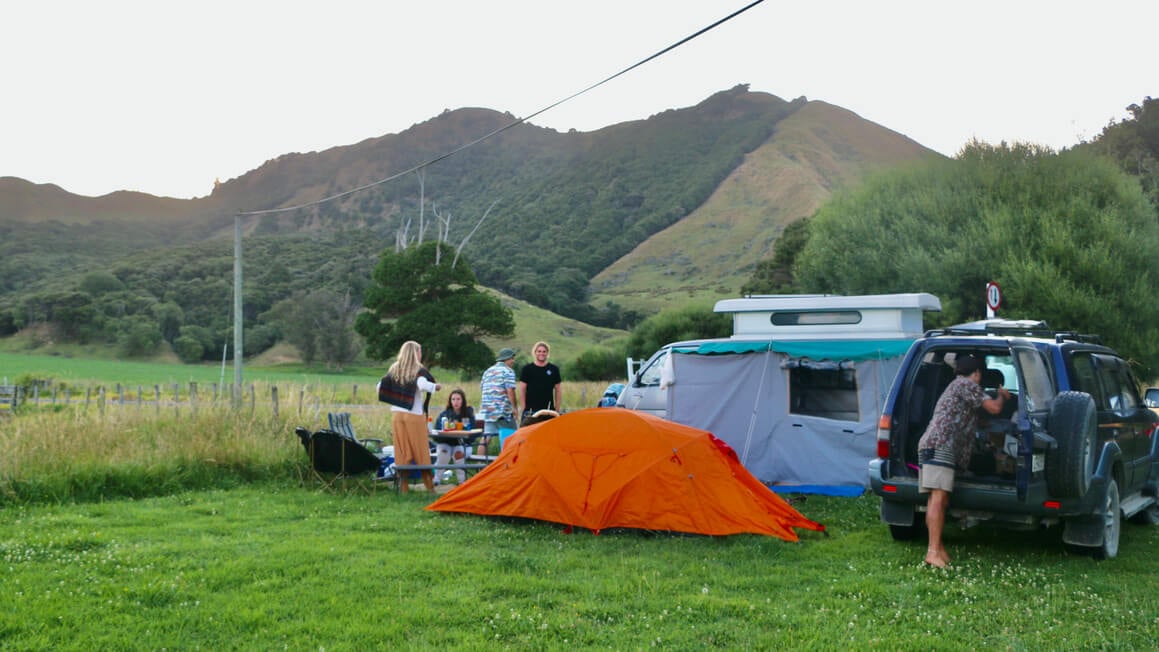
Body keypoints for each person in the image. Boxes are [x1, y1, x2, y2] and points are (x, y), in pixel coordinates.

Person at [917, 353, 1011, 567]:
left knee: (936, 499)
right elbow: (994, 408)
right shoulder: (965, 385)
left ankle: (938, 549)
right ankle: (932, 552)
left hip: (932, 443)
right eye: (980, 374)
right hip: (941, 444)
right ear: (976, 373)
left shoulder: (956, 387)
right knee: (938, 499)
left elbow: (970, 417)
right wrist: (1002, 396)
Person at [377, 340, 441, 494]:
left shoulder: (394, 369)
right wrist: (435, 387)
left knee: (402, 451)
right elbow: (422, 385)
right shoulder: (417, 369)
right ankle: (430, 488)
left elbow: (380, 386)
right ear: (415, 353)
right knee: (421, 451)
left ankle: (403, 488)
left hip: (397, 415)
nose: (421, 354)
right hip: (414, 415)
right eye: (419, 351)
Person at [478, 348, 519, 455]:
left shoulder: (488, 371)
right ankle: (508, 466)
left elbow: (482, 388)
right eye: (512, 358)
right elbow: (510, 390)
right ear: (507, 359)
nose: (513, 361)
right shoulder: (508, 371)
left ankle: (479, 466)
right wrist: (514, 408)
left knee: (486, 438)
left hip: (488, 411)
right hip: (503, 412)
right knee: (512, 437)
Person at [433, 388, 476, 483]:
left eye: (458, 399)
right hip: (446, 442)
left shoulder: (468, 414)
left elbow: (472, 432)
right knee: (443, 454)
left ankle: (462, 482)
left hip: (462, 444)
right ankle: (436, 481)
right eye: (453, 399)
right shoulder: (444, 415)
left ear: (463, 400)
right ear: (450, 401)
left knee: (459, 455)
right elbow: (436, 431)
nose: (455, 402)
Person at [518, 340, 562, 421]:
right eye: (539, 351)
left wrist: (557, 409)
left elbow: (558, 390)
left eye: (544, 351)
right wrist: (524, 408)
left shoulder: (554, 369)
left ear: (547, 353)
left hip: (548, 411)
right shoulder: (527, 369)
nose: (541, 353)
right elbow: (522, 390)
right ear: (535, 352)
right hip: (530, 411)